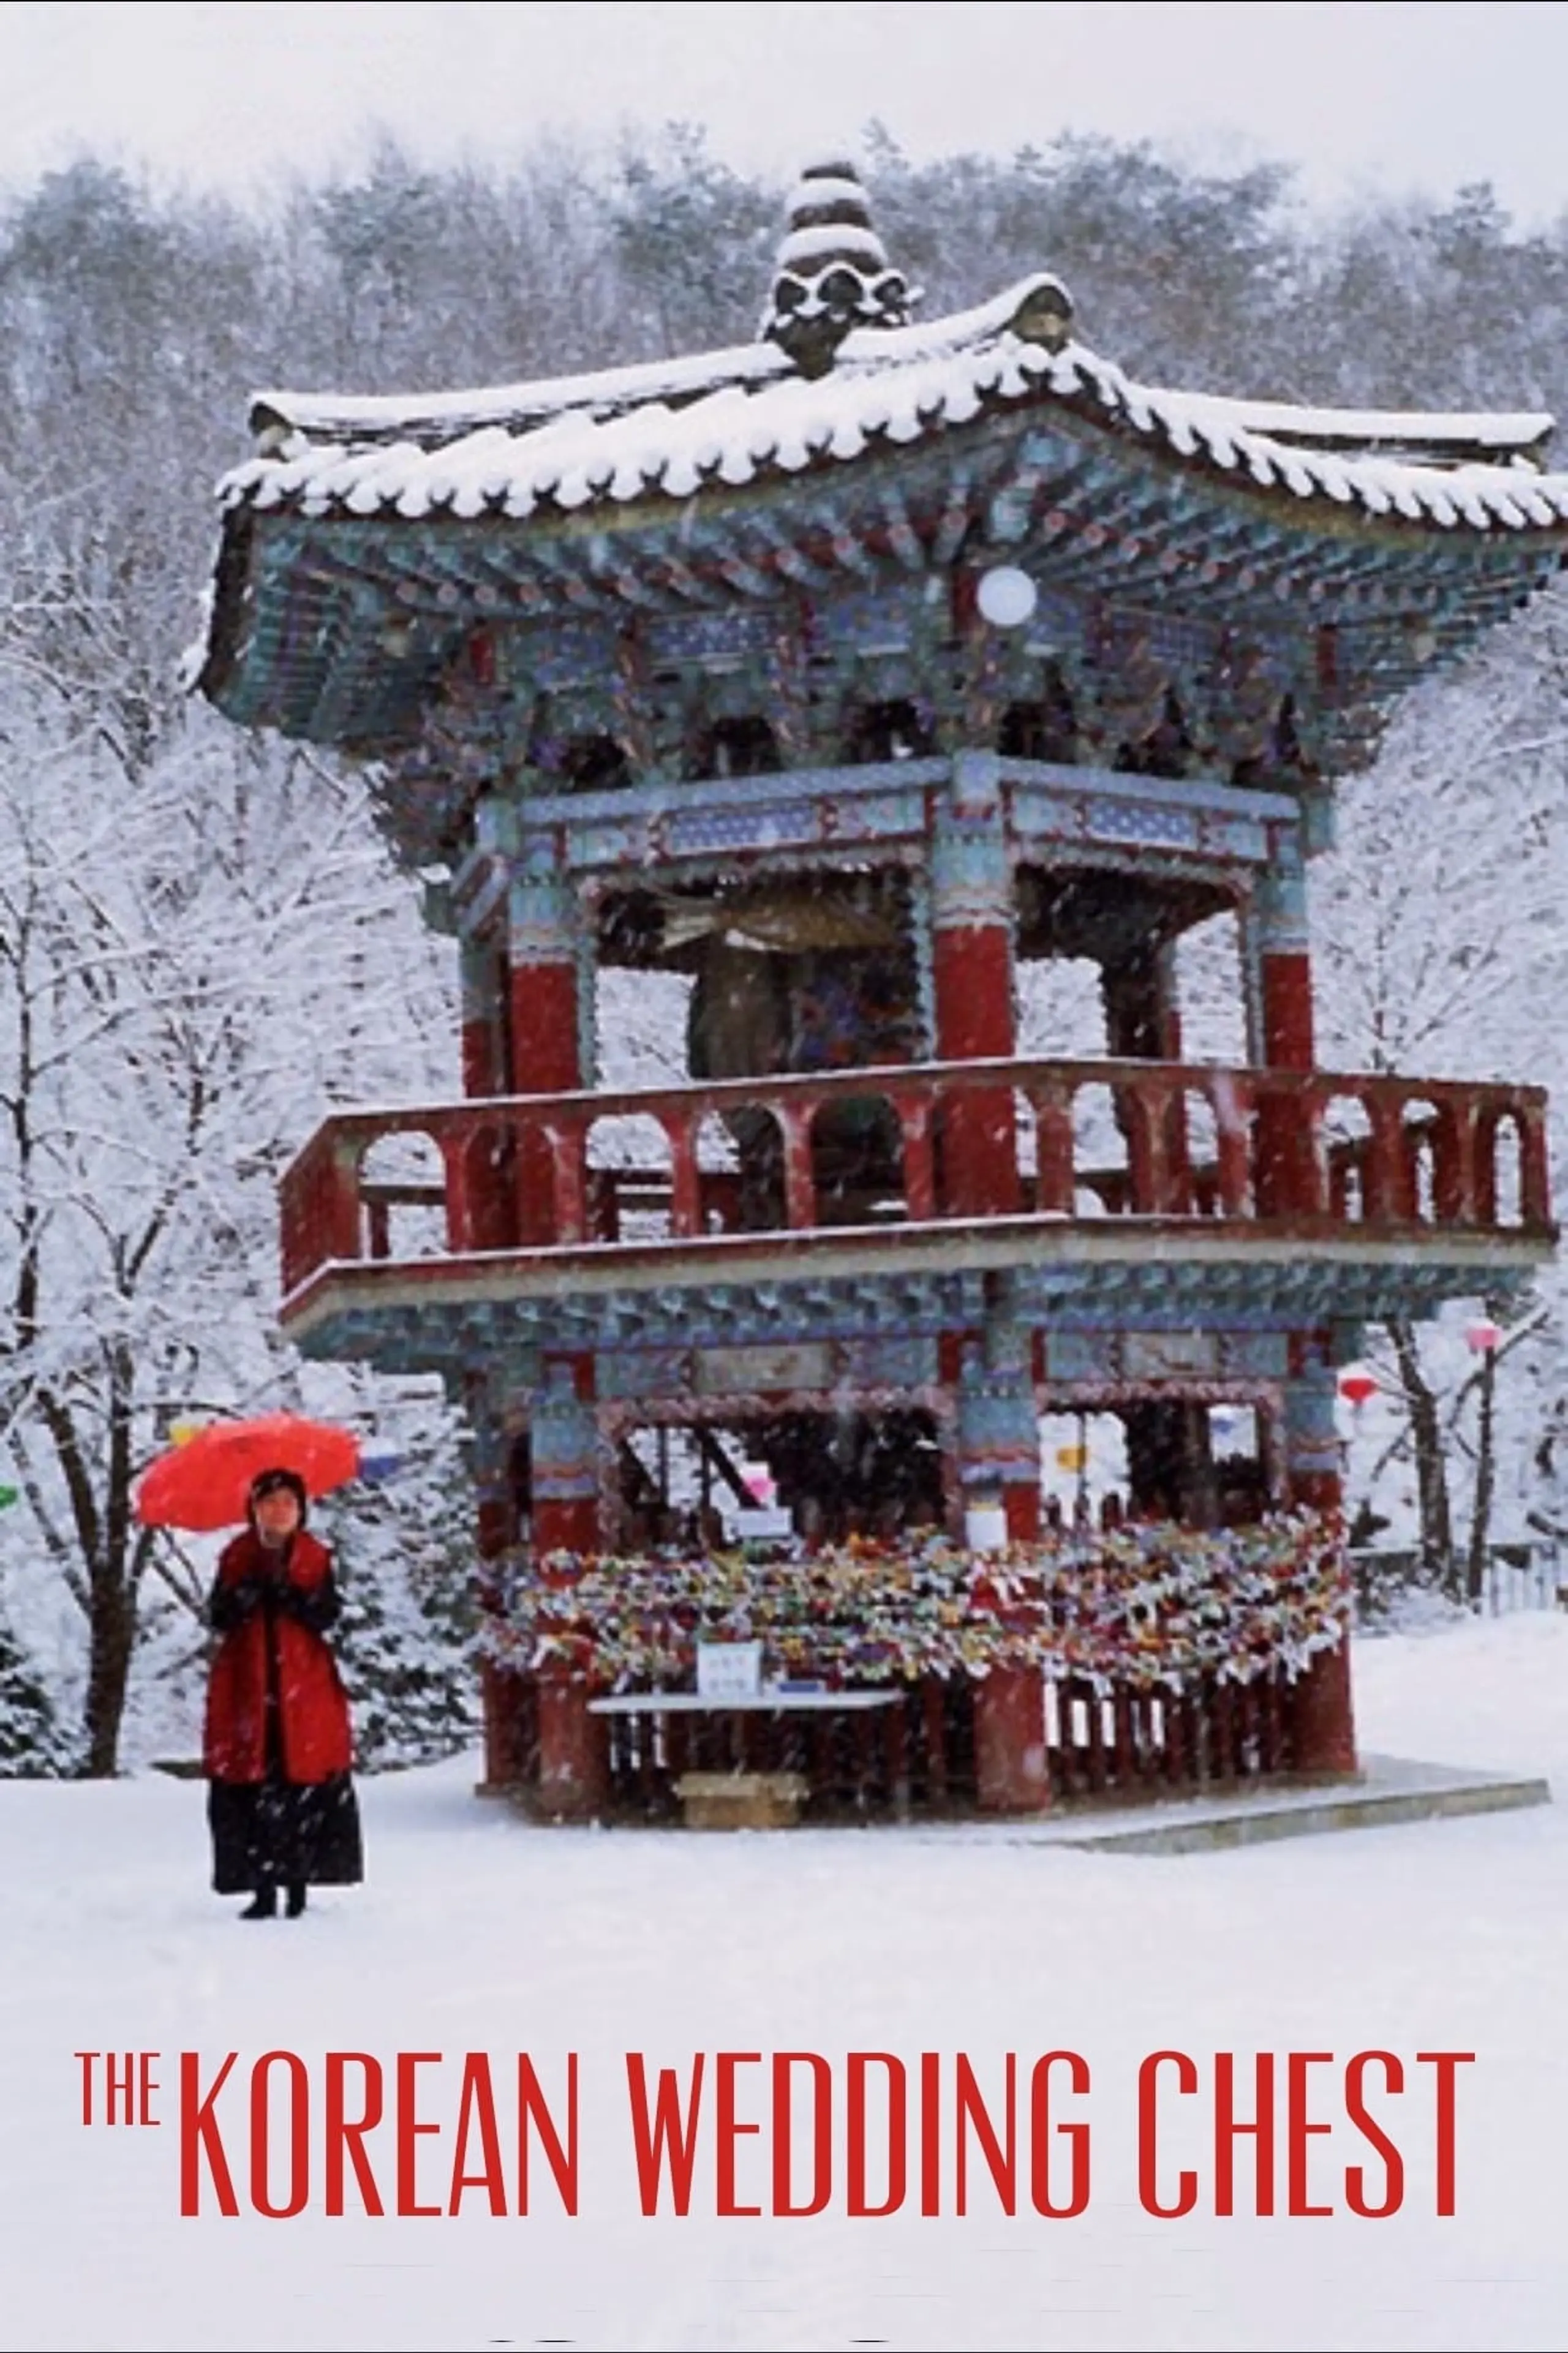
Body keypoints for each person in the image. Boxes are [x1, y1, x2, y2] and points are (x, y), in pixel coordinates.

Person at [203, 1467, 363, 1920]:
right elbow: (219, 1616)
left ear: (300, 1511)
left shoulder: (316, 1557)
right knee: (254, 1786)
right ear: (254, 1509)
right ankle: (260, 1886)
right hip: (248, 1690)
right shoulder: (237, 1556)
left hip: (303, 1690)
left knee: (302, 1786)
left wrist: (293, 1597)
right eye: (270, 1504)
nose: (278, 1512)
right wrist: (249, 1592)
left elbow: (327, 1615)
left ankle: (298, 1883)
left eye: (288, 1504)